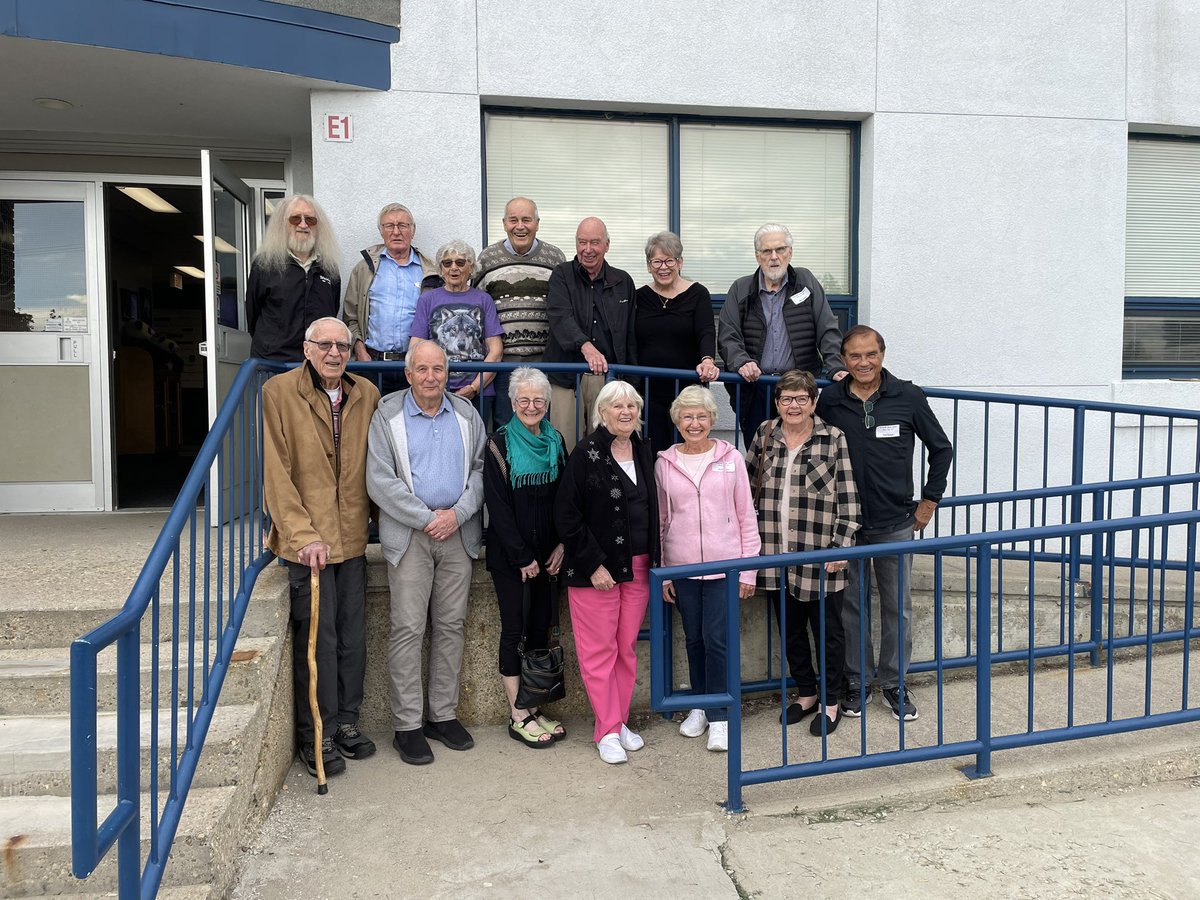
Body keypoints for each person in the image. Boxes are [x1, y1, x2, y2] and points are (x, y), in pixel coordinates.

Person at [261, 316, 381, 777]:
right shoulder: (279, 393)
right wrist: (300, 532)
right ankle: (319, 734)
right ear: (306, 348)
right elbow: (277, 471)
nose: (335, 353)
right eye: (325, 345)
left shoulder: (365, 393)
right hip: (307, 543)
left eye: (343, 346)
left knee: (353, 637)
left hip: (351, 535)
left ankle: (348, 722)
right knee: (319, 639)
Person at [816, 326, 953, 722]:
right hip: (845, 525)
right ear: (843, 359)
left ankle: (894, 683)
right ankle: (857, 683)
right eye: (855, 356)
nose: (863, 363)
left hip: (895, 521)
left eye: (871, 354)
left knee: (898, 608)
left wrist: (929, 501)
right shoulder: (830, 401)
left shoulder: (907, 395)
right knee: (851, 609)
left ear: (882, 355)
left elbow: (941, 448)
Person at [366, 340, 487, 765]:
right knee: (408, 629)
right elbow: (380, 480)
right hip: (411, 536)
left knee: (451, 626)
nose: (431, 377)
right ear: (408, 372)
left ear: (447, 372)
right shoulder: (388, 414)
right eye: (423, 369)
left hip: (458, 533)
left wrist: (456, 514)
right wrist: (426, 518)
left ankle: (442, 715)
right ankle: (407, 726)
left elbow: (479, 471)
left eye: (439, 369)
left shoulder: (467, 414)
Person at [746, 370, 860, 736]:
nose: (793, 405)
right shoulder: (764, 435)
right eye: (786, 399)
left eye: (800, 399)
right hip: (775, 554)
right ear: (777, 403)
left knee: (828, 633)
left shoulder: (833, 438)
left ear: (813, 402)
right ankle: (806, 692)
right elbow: (746, 490)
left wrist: (841, 546)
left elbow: (849, 497)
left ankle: (831, 700)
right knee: (790, 630)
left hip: (819, 557)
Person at [555, 380, 658, 764]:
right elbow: (566, 515)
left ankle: (618, 720)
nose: (626, 412)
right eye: (617, 406)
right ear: (602, 412)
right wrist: (592, 563)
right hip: (595, 569)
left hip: (639, 566)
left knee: (625, 649)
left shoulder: (645, 449)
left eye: (631, 405)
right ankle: (607, 731)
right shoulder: (586, 453)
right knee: (599, 651)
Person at [655, 385, 759, 752]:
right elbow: (664, 520)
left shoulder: (731, 459)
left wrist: (748, 570)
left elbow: (746, 515)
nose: (695, 423)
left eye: (701, 416)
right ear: (677, 421)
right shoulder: (664, 463)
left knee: (718, 641)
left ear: (713, 420)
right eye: (687, 417)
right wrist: (665, 570)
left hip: (725, 566)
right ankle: (697, 704)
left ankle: (720, 715)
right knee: (694, 639)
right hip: (682, 569)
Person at [482, 367, 567, 748]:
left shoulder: (556, 441)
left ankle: (533, 705)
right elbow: (497, 508)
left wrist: (562, 546)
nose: (531, 406)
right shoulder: (498, 444)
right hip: (511, 558)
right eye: (524, 400)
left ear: (547, 404)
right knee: (514, 632)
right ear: (512, 403)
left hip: (549, 557)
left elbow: (567, 500)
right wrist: (521, 557)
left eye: (538, 400)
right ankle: (517, 713)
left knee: (539, 631)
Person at [717, 223, 847, 447]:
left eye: (780, 249)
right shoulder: (741, 288)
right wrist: (742, 361)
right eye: (767, 251)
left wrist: (835, 366)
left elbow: (827, 329)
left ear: (790, 253)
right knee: (759, 456)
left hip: (799, 388)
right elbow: (728, 335)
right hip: (757, 388)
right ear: (758, 256)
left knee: (802, 453)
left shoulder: (806, 282)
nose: (774, 257)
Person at [543, 217, 637, 452]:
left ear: (607, 244)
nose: (587, 250)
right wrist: (585, 346)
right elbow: (560, 316)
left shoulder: (623, 281)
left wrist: (631, 383)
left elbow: (630, 333)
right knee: (564, 444)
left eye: (594, 242)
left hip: (608, 378)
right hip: (565, 376)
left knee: (607, 443)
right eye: (581, 242)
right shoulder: (561, 275)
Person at [473, 197, 566, 426]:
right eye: (513, 220)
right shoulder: (487, 258)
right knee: (507, 425)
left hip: (545, 362)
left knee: (543, 425)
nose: (520, 226)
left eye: (527, 219)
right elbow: (477, 310)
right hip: (503, 364)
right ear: (504, 223)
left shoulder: (555, 258)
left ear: (537, 223)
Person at [634, 232, 719, 453]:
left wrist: (708, 359)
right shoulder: (638, 297)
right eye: (657, 261)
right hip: (649, 394)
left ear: (680, 262)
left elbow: (706, 331)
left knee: (689, 451)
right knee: (654, 454)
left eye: (669, 260)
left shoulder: (698, 293)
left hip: (687, 392)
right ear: (648, 266)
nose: (664, 267)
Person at [342, 202, 438, 394]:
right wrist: (360, 352)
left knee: (410, 421)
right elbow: (350, 317)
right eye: (389, 226)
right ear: (381, 231)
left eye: (403, 225)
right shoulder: (364, 269)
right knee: (370, 421)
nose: (396, 232)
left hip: (414, 365)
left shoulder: (430, 271)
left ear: (413, 230)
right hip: (372, 364)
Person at [408, 240, 504, 424]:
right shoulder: (427, 300)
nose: (454, 268)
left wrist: (474, 387)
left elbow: (496, 350)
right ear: (441, 269)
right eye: (447, 263)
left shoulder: (484, 300)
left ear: (471, 268)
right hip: (435, 388)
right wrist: (431, 383)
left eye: (460, 262)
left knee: (475, 445)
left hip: (479, 392)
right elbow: (416, 346)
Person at [247, 195, 341, 361]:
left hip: (316, 363)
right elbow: (253, 314)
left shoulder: (328, 268)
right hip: (273, 363)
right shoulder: (265, 264)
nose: (303, 224)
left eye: (310, 220)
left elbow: (332, 310)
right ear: (282, 224)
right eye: (295, 219)